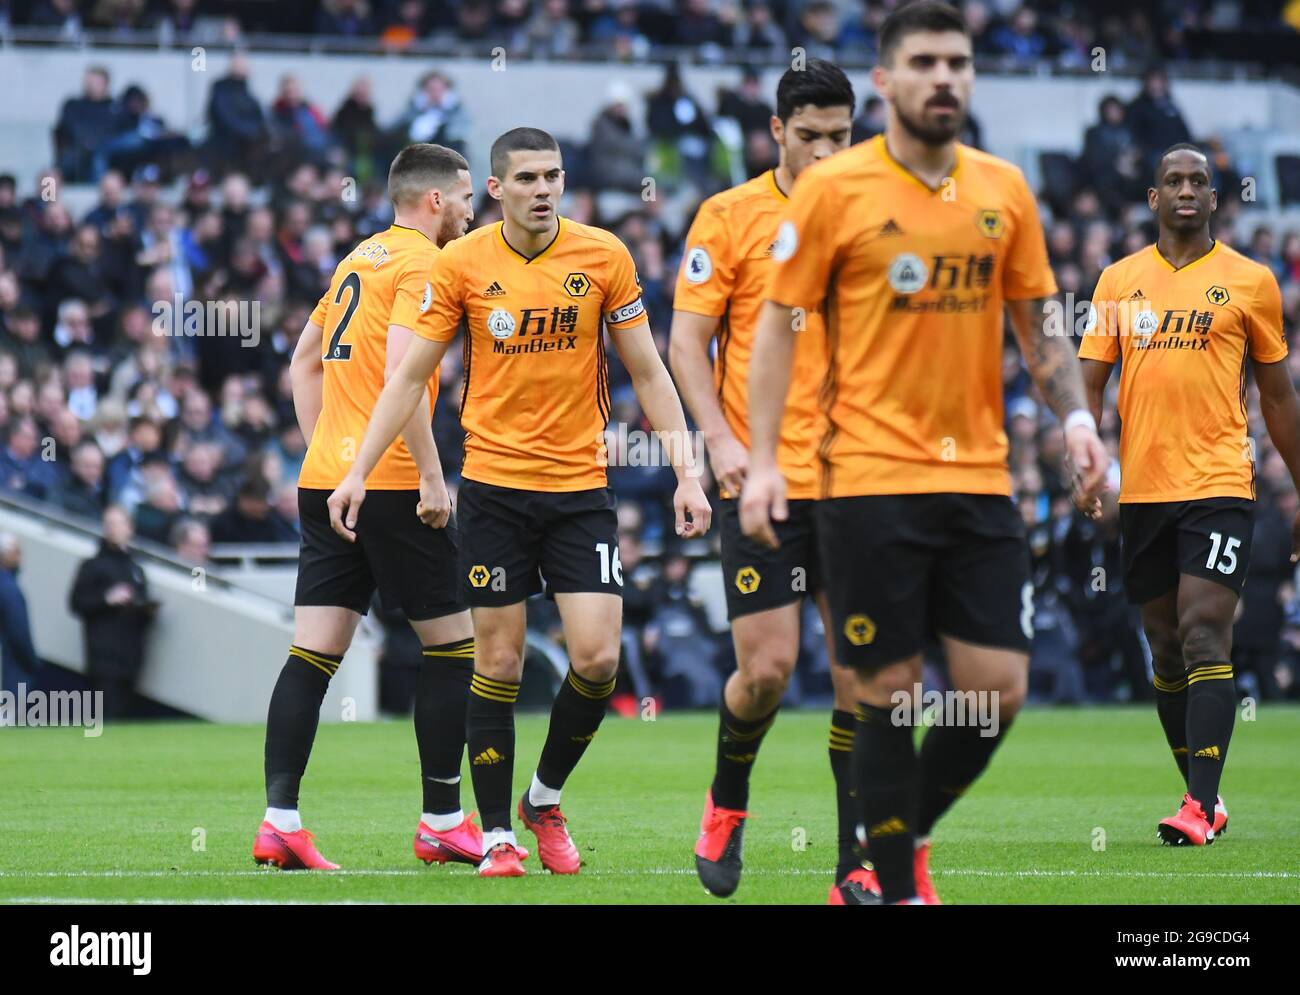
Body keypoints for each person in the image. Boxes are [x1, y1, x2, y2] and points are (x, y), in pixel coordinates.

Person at [741, 1, 1109, 905]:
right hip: (864, 479)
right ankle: (896, 882)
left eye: (959, 62)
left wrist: (1075, 420)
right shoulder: (834, 193)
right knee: (887, 690)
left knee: (998, 690)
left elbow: (1039, 324)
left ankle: (889, 828)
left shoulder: (1003, 190)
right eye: (926, 62)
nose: (945, 77)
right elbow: (777, 333)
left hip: (981, 477)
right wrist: (758, 460)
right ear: (887, 80)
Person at [328, 127, 711, 878]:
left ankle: (544, 797)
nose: (544, 189)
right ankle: (499, 836)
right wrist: (359, 472)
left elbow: (650, 370)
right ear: (496, 189)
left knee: (598, 657)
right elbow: (406, 378)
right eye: (528, 177)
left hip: (579, 488)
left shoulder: (604, 256)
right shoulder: (461, 263)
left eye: (555, 176)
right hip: (496, 490)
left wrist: (686, 472)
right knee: (497, 661)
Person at [669, 59, 870, 904]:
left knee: (867, 675)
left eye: (842, 135)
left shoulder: (874, 214)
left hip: (858, 479)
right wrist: (716, 441)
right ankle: (727, 800)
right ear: (778, 132)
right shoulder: (730, 215)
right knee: (769, 670)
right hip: (760, 477)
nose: (828, 150)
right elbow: (687, 345)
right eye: (812, 134)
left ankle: (855, 861)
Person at [252, 143, 480, 872]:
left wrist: (327, 447)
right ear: (436, 201)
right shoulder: (424, 264)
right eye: (469, 196)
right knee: (454, 647)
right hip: (393, 482)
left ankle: (279, 819)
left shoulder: (357, 257)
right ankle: (443, 818)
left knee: (311, 653)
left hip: (326, 477)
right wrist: (433, 475)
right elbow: (404, 372)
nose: (475, 210)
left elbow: (303, 357)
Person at [1078, 143, 1298, 845]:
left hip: (1219, 484)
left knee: (1206, 631)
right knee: (1165, 647)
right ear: (1152, 198)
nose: (1185, 189)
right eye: (1172, 180)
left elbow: (1278, 396)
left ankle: (1198, 808)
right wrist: (1088, 463)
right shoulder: (1118, 281)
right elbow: (1086, 381)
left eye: (1198, 181)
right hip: (1144, 490)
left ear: (1214, 199)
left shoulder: (1250, 281)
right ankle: (1205, 793)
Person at [69, 505, 157, 720]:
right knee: (106, 714)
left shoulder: (136, 568)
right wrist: (107, 600)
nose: (113, 529)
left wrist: (145, 609)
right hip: (103, 655)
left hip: (131, 653)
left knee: (124, 714)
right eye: (109, 524)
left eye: (118, 524)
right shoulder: (91, 566)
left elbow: (142, 603)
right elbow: (77, 603)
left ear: (130, 528)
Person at [0, 533, 41, 704]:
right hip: (7, 672)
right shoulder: (8, 589)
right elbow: (19, 634)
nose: (20, 557)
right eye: (17, 552)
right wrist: (33, 663)